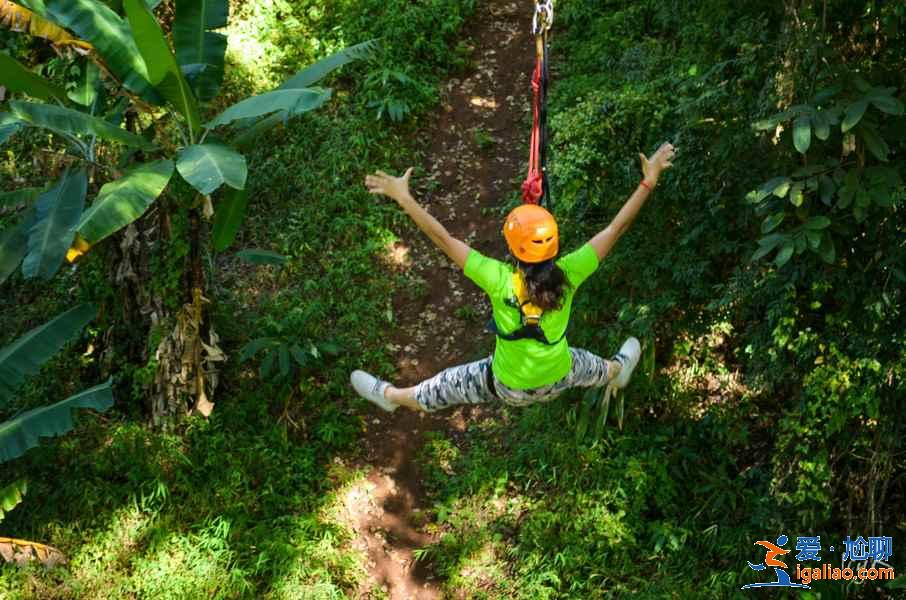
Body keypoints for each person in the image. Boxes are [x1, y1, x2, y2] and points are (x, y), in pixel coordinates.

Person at [351, 142, 676, 413]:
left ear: (512, 247)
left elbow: (444, 239)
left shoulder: (499, 279)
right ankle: (618, 372)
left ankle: (390, 397)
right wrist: (648, 180)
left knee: (442, 387)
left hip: (508, 386)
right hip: (560, 375)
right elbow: (615, 228)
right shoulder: (571, 272)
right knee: (598, 367)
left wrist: (404, 197)